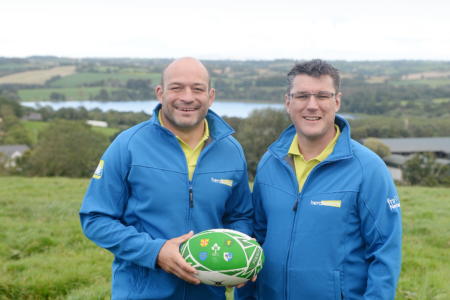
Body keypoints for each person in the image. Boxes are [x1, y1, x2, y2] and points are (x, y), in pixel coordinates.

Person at [80, 57, 253, 299]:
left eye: (197, 89)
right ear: (160, 93)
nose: (187, 97)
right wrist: (155, 252)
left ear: (211, 96)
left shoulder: (231, 150)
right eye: (176, 87)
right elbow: (95, 218)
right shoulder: (128, 145)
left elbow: (240, 216)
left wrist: (243, 256)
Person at [237, 59, 402, 300]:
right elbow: (257, 240)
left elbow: (385, 252)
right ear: (288, 102)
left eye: (322, 96)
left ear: (337, 101)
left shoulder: (368, 168)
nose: (312, 105)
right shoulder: (270, 163)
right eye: (302, 96)